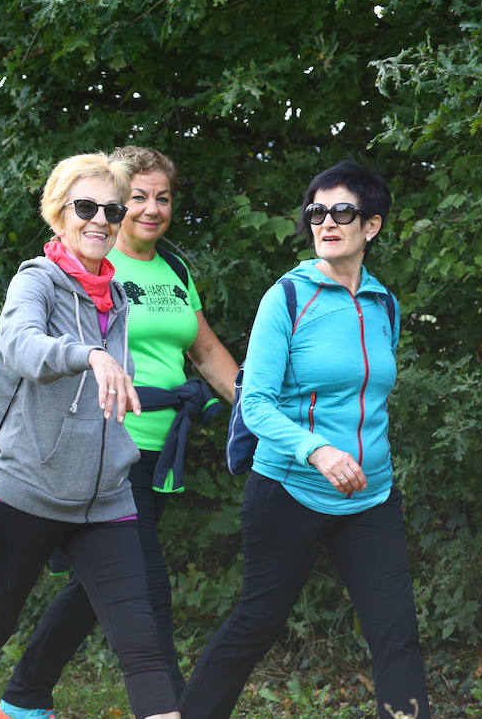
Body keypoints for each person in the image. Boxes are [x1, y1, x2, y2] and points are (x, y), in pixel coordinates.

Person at [0, 152, 180, 719]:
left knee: (141, 642)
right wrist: (86, 354)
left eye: (112, 209)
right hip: (27, 489)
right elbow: (19, 346)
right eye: (85, 207)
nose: (100, 220)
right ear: (58, 214)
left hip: (106, 496)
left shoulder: (117, 296)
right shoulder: (35, 280)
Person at [180, 161, 430, 719]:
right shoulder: (288, 298)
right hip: (289, 488)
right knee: (256, 623)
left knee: (397, 635)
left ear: (373, 226)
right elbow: (256, 403)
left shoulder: (383, 304)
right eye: (317, 212)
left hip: (371, 494)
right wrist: (316, 448)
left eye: (343, 212)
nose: (327, 222)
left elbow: (373, 395)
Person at [0, 146, 238, 718]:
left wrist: (257, 413)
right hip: (105, 453)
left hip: (160, 452)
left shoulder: (173, 270)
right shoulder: (94, 265)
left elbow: (204, 350)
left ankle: (23, 698)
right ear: (108, 202)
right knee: (147, 593)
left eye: (163, 198)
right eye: (137, 197)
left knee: (103, 587)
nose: (150, 209)